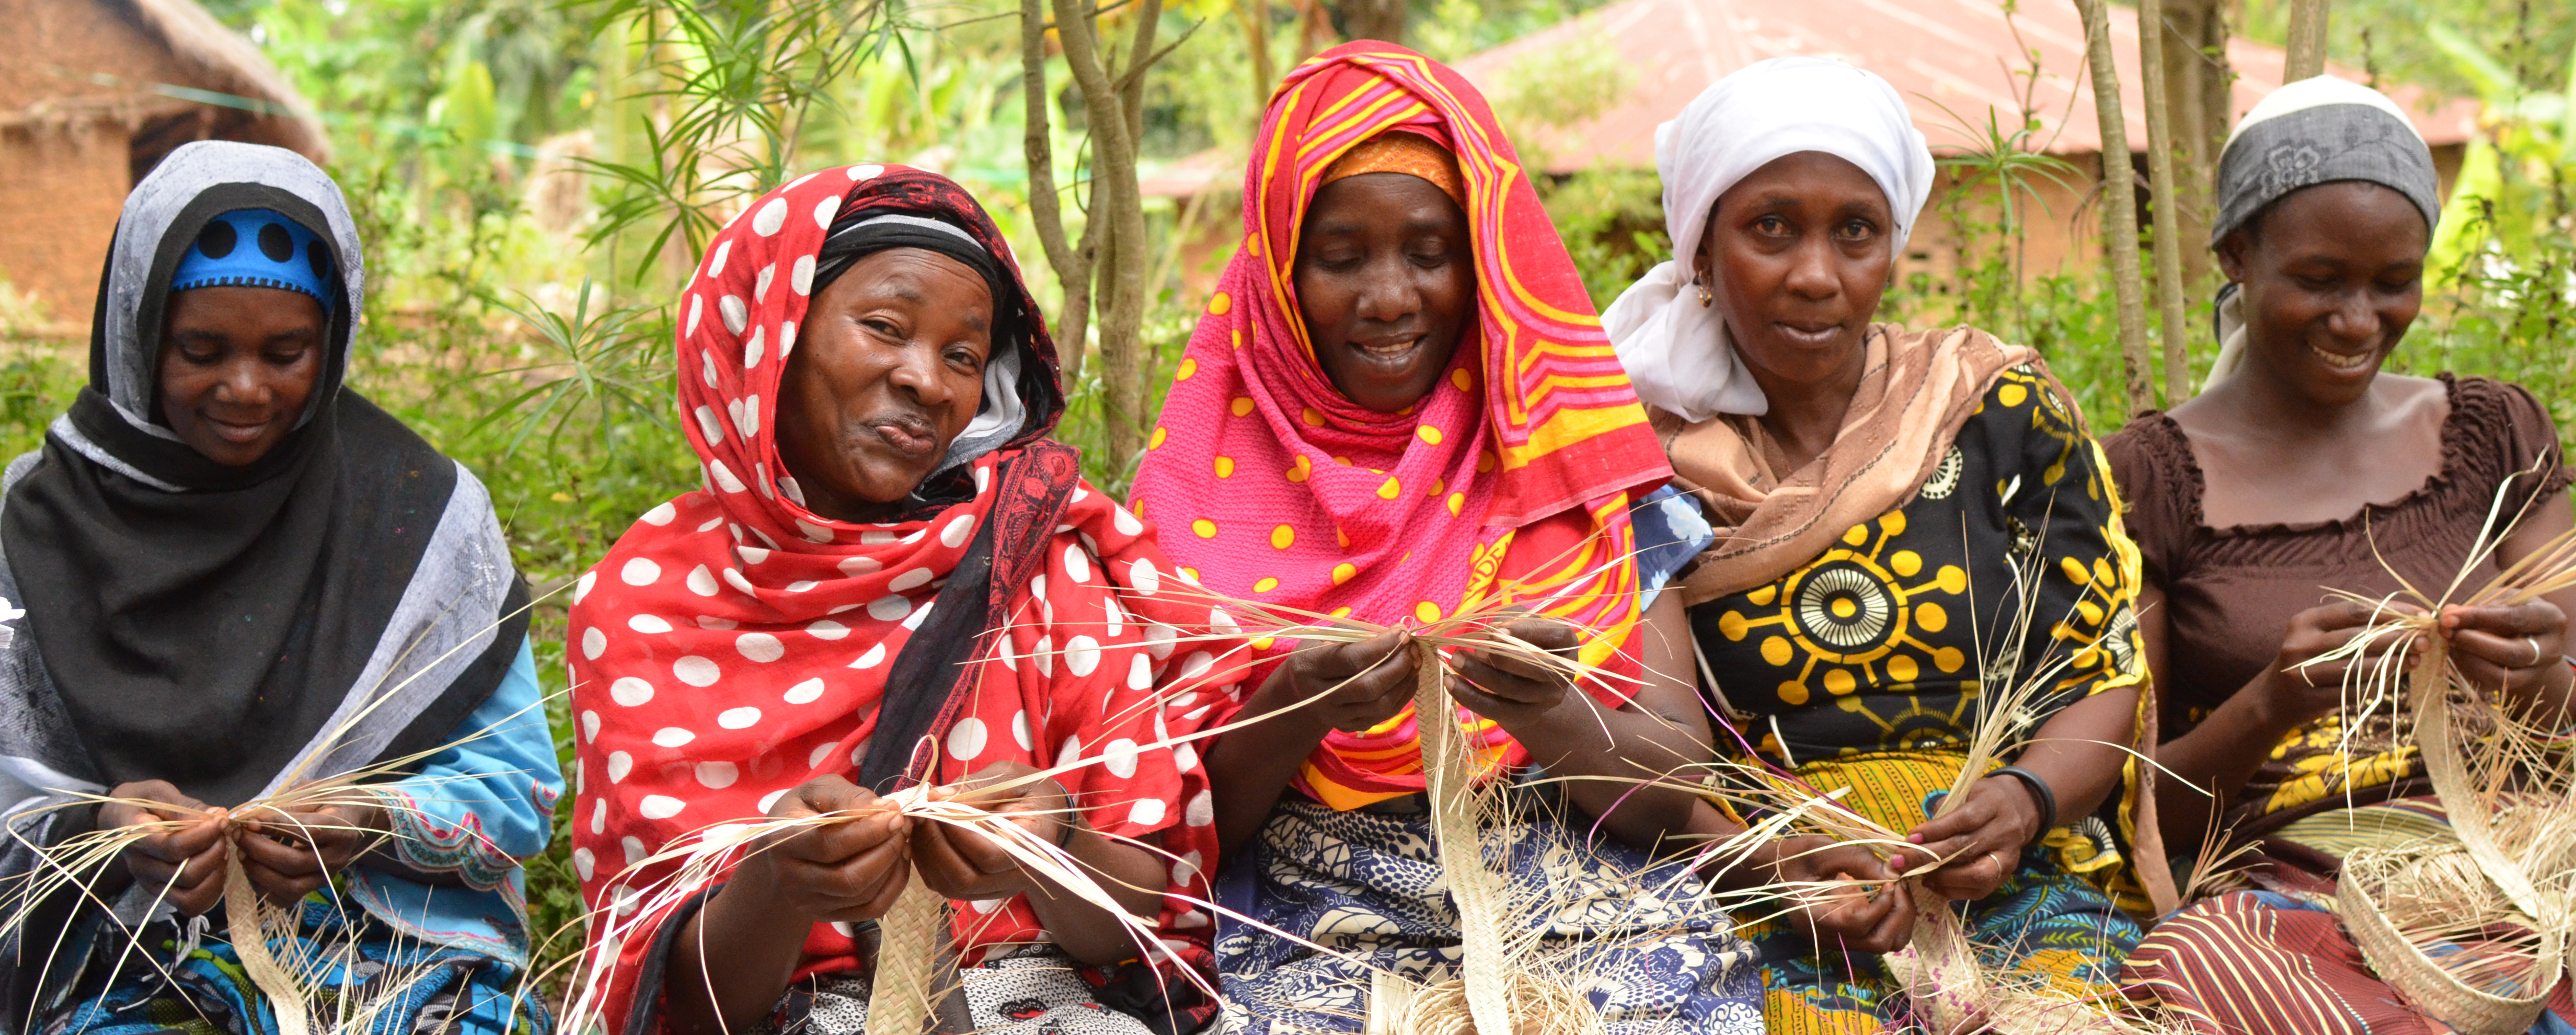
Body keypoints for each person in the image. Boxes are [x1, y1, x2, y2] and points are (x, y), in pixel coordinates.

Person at [1130, 41, 1764, 1035]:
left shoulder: (1585, 475)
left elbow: (1672, 789)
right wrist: (1300, 701)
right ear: (1278, 274)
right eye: (1341, 259)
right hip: (1309, 919)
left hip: (1584, 907)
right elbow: (1169, 828)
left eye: (1430, 254)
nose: (1390, 297)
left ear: (1488, 264)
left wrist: (1550, 711)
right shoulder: (1187, 497)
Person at [566, 164, 1247, 1035]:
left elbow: (1132, 923)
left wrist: (1054, 844)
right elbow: (688, 1003)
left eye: (963, 355)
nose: (927, 382)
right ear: (771, 338)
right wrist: (779, 878)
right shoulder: (649, 601)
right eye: (886, 327)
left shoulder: (1034, 560)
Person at [1603, 56, 2167, 1031]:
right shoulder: (1634, 466)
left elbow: (2103, 667)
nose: (1817, 275)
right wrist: (1773, 866)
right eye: (1770, 227)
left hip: (2012, 878)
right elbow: (1638, 756)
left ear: (1894, 246)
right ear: (1700, 249)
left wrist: (2025, 802)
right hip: (1755, 890)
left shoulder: (1996, 411)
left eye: (1855, 231)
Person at [0, 141, 558, 1035]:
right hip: (128, 967)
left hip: (393, 965)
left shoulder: (423, 514)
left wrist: (368, 823)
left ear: (333, 341)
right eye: (202, 349)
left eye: (288, 351)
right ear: (138, 334)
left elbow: (517, 781)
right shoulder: (32, 529)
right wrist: (100, 828)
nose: (247, 389)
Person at [2106, 76, 2576, 1034]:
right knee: (2191, 963)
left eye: (2392, 283)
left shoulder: (2493, 434)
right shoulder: (2146, 479)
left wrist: (2532, 680)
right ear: (2237, 255)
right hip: (2296, 900)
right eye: (2320, 281)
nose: (2358, 320)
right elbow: (2135, 812)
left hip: (2524, 855)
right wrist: (2271, 702)